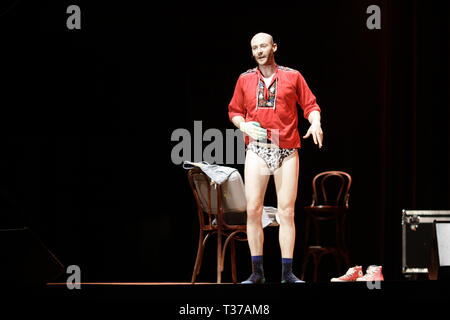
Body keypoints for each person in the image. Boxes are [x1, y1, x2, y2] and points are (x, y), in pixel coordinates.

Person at [228, 32, 323, 283]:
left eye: (263, 46)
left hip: (287, 150)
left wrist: (316, 122)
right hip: (257, 150)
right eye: (254, 47)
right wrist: (243, 126)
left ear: (274, 47)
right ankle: (257, 273)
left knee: (287, 212)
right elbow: (234, 111)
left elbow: (311, 105)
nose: (259, 51)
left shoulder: (292, 76)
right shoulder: (245, 79)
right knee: (253, 210)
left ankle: (287, 274)